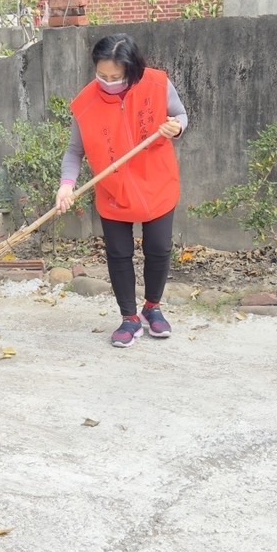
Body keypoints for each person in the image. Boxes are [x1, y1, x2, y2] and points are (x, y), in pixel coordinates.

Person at [53, 34, 187, 348]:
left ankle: (153, 308)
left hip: (157, 184)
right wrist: (66, 186)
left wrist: (176, 127)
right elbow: (75, 152)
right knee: (118, 254)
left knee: (158, 248)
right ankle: (129, 317)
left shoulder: (156, 84)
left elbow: (180, 115)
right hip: (113, 189)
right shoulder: (86, 104)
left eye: (117, 77)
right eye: (102, 76)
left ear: (132, 69)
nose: (109, 82)